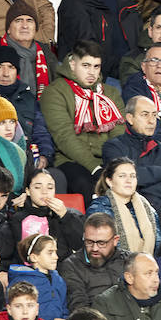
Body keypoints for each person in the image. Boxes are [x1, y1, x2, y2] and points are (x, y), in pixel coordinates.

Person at [39, 39, 125, 203]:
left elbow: (118, 135)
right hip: (70, 160)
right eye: (86, 66)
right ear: (72, 64)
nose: (92, 72)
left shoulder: (110, 93)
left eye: (96, 66)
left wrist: (115, 168)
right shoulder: (55, 92)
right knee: (85, 184)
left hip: (107, 161)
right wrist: (95, 168)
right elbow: (64, 137)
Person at [87, 158, 161, 256]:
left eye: (132, 176)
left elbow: (159, 245)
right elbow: (101, 249)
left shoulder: (148, 209)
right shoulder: (99, 208)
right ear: (109, 181)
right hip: (114, 267)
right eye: (122, 176)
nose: (128, 180)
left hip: (150, 266)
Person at [60, 212, 131, 313]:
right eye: (89, 242)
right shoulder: (72, 265)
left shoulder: (129, 261)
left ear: (115, 240)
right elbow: (79, 307)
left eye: (101, 243)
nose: (95, 248)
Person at [7, 235, 68, 320]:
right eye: (50, 253)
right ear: (34, 257)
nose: (56, 257)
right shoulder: (21, 283)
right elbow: (19, 315)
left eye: (55, 252)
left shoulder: (58, 279)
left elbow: (64, 307)